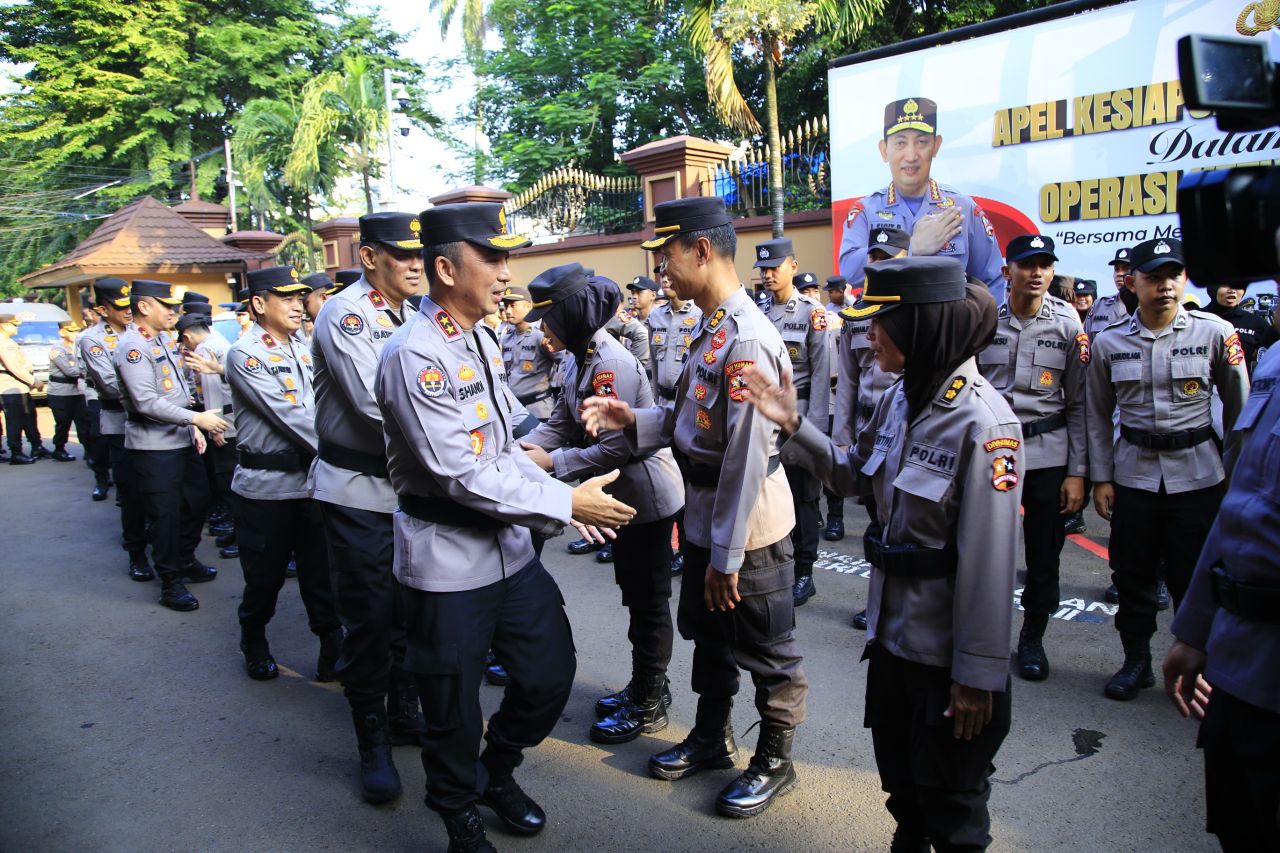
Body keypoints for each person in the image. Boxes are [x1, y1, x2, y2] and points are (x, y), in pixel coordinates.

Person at [375, 201, 635, 852]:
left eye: (505, 256)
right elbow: (461, 475)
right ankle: (459, 812)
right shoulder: (415, 355)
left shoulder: (480, 337)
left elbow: (509, 438)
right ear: (443, 267)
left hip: (510, 550)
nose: (505, 270)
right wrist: (565, 501)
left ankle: (498, 769)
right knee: (453, 708)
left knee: (549, 675)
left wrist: (564, 461)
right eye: (491, 257)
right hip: (448, 562)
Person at [744, 256, 1020, 851]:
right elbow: (850, 476)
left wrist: (977, 678)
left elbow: (990, 570)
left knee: (953, 805)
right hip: (892, 642)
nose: (868, 336)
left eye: (880, 323)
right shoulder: (901, 397)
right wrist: (794, 422)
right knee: (903, 790)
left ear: (920, 326)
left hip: (947, 662)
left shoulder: (984, 423)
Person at [582, 196, 808, 820]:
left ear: (701, 251)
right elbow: (690, 418)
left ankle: (775, 757)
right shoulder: (712, 327)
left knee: (766, 643)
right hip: (706, 512)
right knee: (710, 635)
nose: (660, 272)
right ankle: (713, 736)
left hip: (748, 521)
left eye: (667, 257)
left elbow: (742, 459)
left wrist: (727, 555)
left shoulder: (747, 341)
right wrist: (635, 418)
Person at [519, 263, 684, 745]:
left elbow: (618, 447)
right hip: (615, 496)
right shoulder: (575, 357)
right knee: (635, 596)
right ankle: (645, 685)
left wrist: (552, 463)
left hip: (644, 500)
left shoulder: (609, 363)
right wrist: (529, 449)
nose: (541, 328)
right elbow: (563, 422)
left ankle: (650, 701)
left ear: (570, 317)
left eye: (547, 318)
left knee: (648, 602)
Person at [1086, 238, 1250, 700]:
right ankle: (1136, 661)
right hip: (1134, 475)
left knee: (1193, 577)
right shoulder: (1108, 342)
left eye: (1173, 275)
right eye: (1154, 277)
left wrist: (1236, 479)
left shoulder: (1215, 333)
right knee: (1132, 574)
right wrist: (1101, 477)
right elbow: (1096, 416)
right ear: (1133, 282)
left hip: (1199, 475)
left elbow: (1239, 414)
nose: (1165, 286)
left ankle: (1200, 669)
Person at [311, 211, 428, 804]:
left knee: (410, 611)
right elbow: (374, 404)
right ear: (367, 257)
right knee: (370, 619)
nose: (415, 264)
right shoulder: (347, 314)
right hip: (359, 491)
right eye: (401, 254)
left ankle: (404, 711)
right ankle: (371, 739)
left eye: (419, 254)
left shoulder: (413, 312)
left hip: (409, 488)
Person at [1162, 345, 1280, 851]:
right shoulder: (1275, 360)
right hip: (1237, 664)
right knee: (1239, 825)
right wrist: (1195, 628)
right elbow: (1240, 506)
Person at [977, 235, 1087, 681]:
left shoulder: (1067, 323)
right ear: (1008, 272)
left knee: (1044, 554)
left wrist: (1078, 472)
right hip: (993, 451)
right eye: (1027, 265)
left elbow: (1080, 403)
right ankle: (981, 636)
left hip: (1047, 454)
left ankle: (1032, 637)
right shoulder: (984, 319)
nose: (1037, 273)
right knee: (983, 547)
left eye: (1045, 265)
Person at [225, 266, 341, 680]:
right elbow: (292, 417)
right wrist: (354, 451)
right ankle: (253, 638)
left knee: (320, 577)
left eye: (299, 297)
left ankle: (332, 649)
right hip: (266, 490)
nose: (298, 304)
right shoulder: (245, 354)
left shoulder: (302, 345)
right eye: (286, 297)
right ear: (259, 304)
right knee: (265, 578)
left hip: (310, 483)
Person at [115, 280, 227, 611]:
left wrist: (191, 423)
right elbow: (147, 402)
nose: (173, 311)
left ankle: (185, 558)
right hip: (153, 444)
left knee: (197, 500)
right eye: (166, 305)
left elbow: (178, 390)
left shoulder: (162, 339)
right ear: (144, 307)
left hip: (181, 435)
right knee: (164, 515)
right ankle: (170, 581)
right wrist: (195, 421)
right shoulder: (132, 346)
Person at [838, 97, 1005, 304]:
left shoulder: (963, 209)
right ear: (884, 150)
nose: (911, 155)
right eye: (900, 142)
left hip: (948, 333)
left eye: (921, 142)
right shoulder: (867, 210)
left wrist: (981, 332)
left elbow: (994, 281)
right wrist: (910, 247)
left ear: (935, 146)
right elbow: (848, 271)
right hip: (887, 332)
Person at [835, 225, 908, 631]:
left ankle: (901, 604)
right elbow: (846, 379)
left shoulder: (917, 307)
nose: (877, 263)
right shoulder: (857, 312)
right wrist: (842, 436)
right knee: (876, 525)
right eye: (874, 257)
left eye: (887, 256)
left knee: (904, 522)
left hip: (904, 428)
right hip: (868, 428)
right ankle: (878, 600)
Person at [755, 237, 830, 607]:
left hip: (798, 419)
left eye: (774, 268)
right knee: (770, 491)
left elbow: (821, 374)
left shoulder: (812, 313)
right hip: (766, 421)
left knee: (804, 497)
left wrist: (811, 431)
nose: (768, 275)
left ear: (793, 268)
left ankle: (805, 571)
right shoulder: (760, 312)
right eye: (763, 270)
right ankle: (781, 565)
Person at [80, 280, 152, 578]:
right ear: (101, 309)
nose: (127, 312)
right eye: (120, 307)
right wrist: (148, 395)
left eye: (129, 305)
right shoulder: (92, 340)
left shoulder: (147, 331)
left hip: (159, 424)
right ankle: (137, 554)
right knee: (132, 493)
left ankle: (175, 552)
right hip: (120, 424)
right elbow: (111, 386)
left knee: (164, 492)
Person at [644, 268, 701, 576]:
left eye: (669, 277)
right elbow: (653, 366)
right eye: (662, 279)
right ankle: (672, 546)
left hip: (688, 406)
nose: (665, 282)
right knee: (666, 478)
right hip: (662, 404)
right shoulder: (656, 317)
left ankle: (689, 546)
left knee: (687, 480)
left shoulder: (701, 314)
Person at [177, 314, 239, 560]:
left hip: (224, 423)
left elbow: (212, 391)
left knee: (228, 484)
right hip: (230, 420)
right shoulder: (219, 341)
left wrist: (215, 428)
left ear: (187, 336)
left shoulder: (206, 349)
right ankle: (236, 532)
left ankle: (239, 533)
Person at [498, 284, 557, 420]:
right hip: (515, 412)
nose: (507, 311)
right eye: (505, 306)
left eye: (513, 305)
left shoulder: (541, 335)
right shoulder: (506, 338)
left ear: (528, 305)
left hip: (538, 410)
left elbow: (564, 365)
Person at [0, 309, 49, 463]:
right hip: (11, 386)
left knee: (29, 417)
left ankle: (37, 446)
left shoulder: (8, 340)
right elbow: (13, 367)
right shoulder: (2, 342)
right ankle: (16, 452)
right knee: (15, 420)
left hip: (19, 386)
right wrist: (33, 381)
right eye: (13, 325)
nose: (16, 328)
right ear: (2, 325)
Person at [1199, 281, 1279, 377]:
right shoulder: (1194, 319)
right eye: (1225, 285)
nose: (1232, 290)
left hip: (1239, 389)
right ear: (1212, 289)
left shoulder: (1257, 323)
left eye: (1238, 285)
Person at [75, 307, 112, 497]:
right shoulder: (86, 337)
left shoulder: (133, 332)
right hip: (97, 392)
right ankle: (101, 479)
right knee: (99, 435)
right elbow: (82, 368)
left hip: (129, 394)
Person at [46, 323, 91, 462]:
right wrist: (88, 371)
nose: (74, 334)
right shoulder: (58, 349)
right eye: (71, 331)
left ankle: (88, 450)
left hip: (77, 392)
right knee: (63, 423)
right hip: (60, 392)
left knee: (83, 422)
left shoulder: (78, 347)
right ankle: (59, 449)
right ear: (62, 332)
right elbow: (69, 371)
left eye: (77, 331)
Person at [1083, 248, 1134, 342]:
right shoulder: (1099, 305)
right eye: (1116, 269)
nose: (1119, 274)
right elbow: (1085, 343)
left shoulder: (1146, 306)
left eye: (1126, 269)